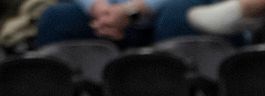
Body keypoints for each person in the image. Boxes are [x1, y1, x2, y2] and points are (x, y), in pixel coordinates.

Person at [35, 0, 196, 45]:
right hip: (102, 17)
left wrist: (134, 9)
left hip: (160, 14)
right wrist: (97, 6)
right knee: (56, 18)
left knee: (178, 16)